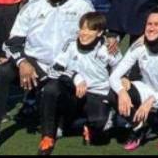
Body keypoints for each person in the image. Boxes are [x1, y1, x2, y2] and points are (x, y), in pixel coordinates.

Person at [0, 0, 95, 156]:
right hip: (33, 62)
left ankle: (48, 136)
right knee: (3, 72)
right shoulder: (33, 6)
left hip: (65, 68)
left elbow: (93, 35)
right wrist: (23, 62)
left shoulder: (83, 6)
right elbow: (12, 41)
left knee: (52, 90)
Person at [38, 12, 121, 155]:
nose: (84, 33)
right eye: (82, 28)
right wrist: (75, 77)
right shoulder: (71, 43)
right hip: (74, 92)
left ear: (99, 32)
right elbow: (54, 70)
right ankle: (48, 136)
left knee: (100, 129)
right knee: (51, 88)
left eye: (90, 29)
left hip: (97, 94)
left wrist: (115, 95)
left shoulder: (108, 48)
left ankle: (81, 123)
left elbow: (121, 72)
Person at [108, 9, 158, 151]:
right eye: (149, 24)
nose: (151, 28)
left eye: (157, 24)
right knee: (113, 94)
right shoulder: (138, 45)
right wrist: (121, 92)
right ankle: (138, 126)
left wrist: (152, 100)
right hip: (147, 89)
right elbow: (114, 76)